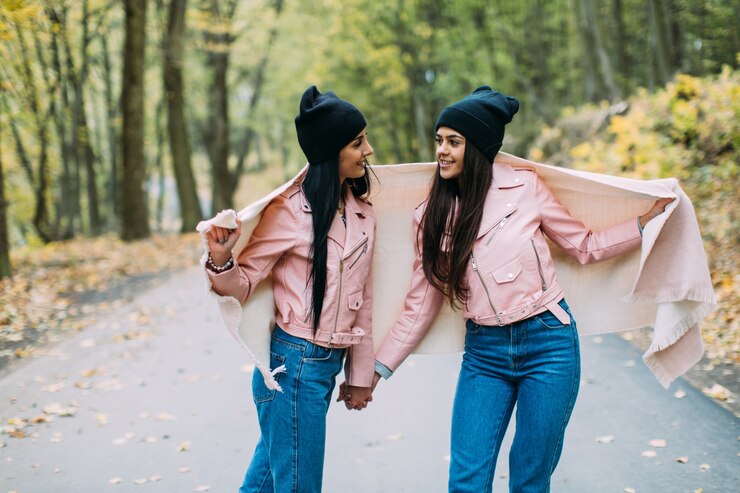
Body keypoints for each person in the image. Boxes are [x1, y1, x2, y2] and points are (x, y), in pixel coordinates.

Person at [371, 86, 673, 493]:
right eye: (439, 140)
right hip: (484, 355)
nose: (441, 150)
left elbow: (583, 246)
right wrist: (376, 370)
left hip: (549, 345)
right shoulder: (431, 213)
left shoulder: (526, 187)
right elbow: (422, 299)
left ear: (478, 147)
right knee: (466, 481)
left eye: (454, 142)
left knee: (530, 481)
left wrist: (643, 223)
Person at [205, 85, 377, 493]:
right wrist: (221, 260)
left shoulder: (361, 210)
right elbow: (243, 285)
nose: (368, 150)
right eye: (357, 142)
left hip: (324, 368)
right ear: (332, 150)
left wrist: (360, 374)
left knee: (265, 484)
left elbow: (363, 300)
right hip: (293, 367)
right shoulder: (291, 211)